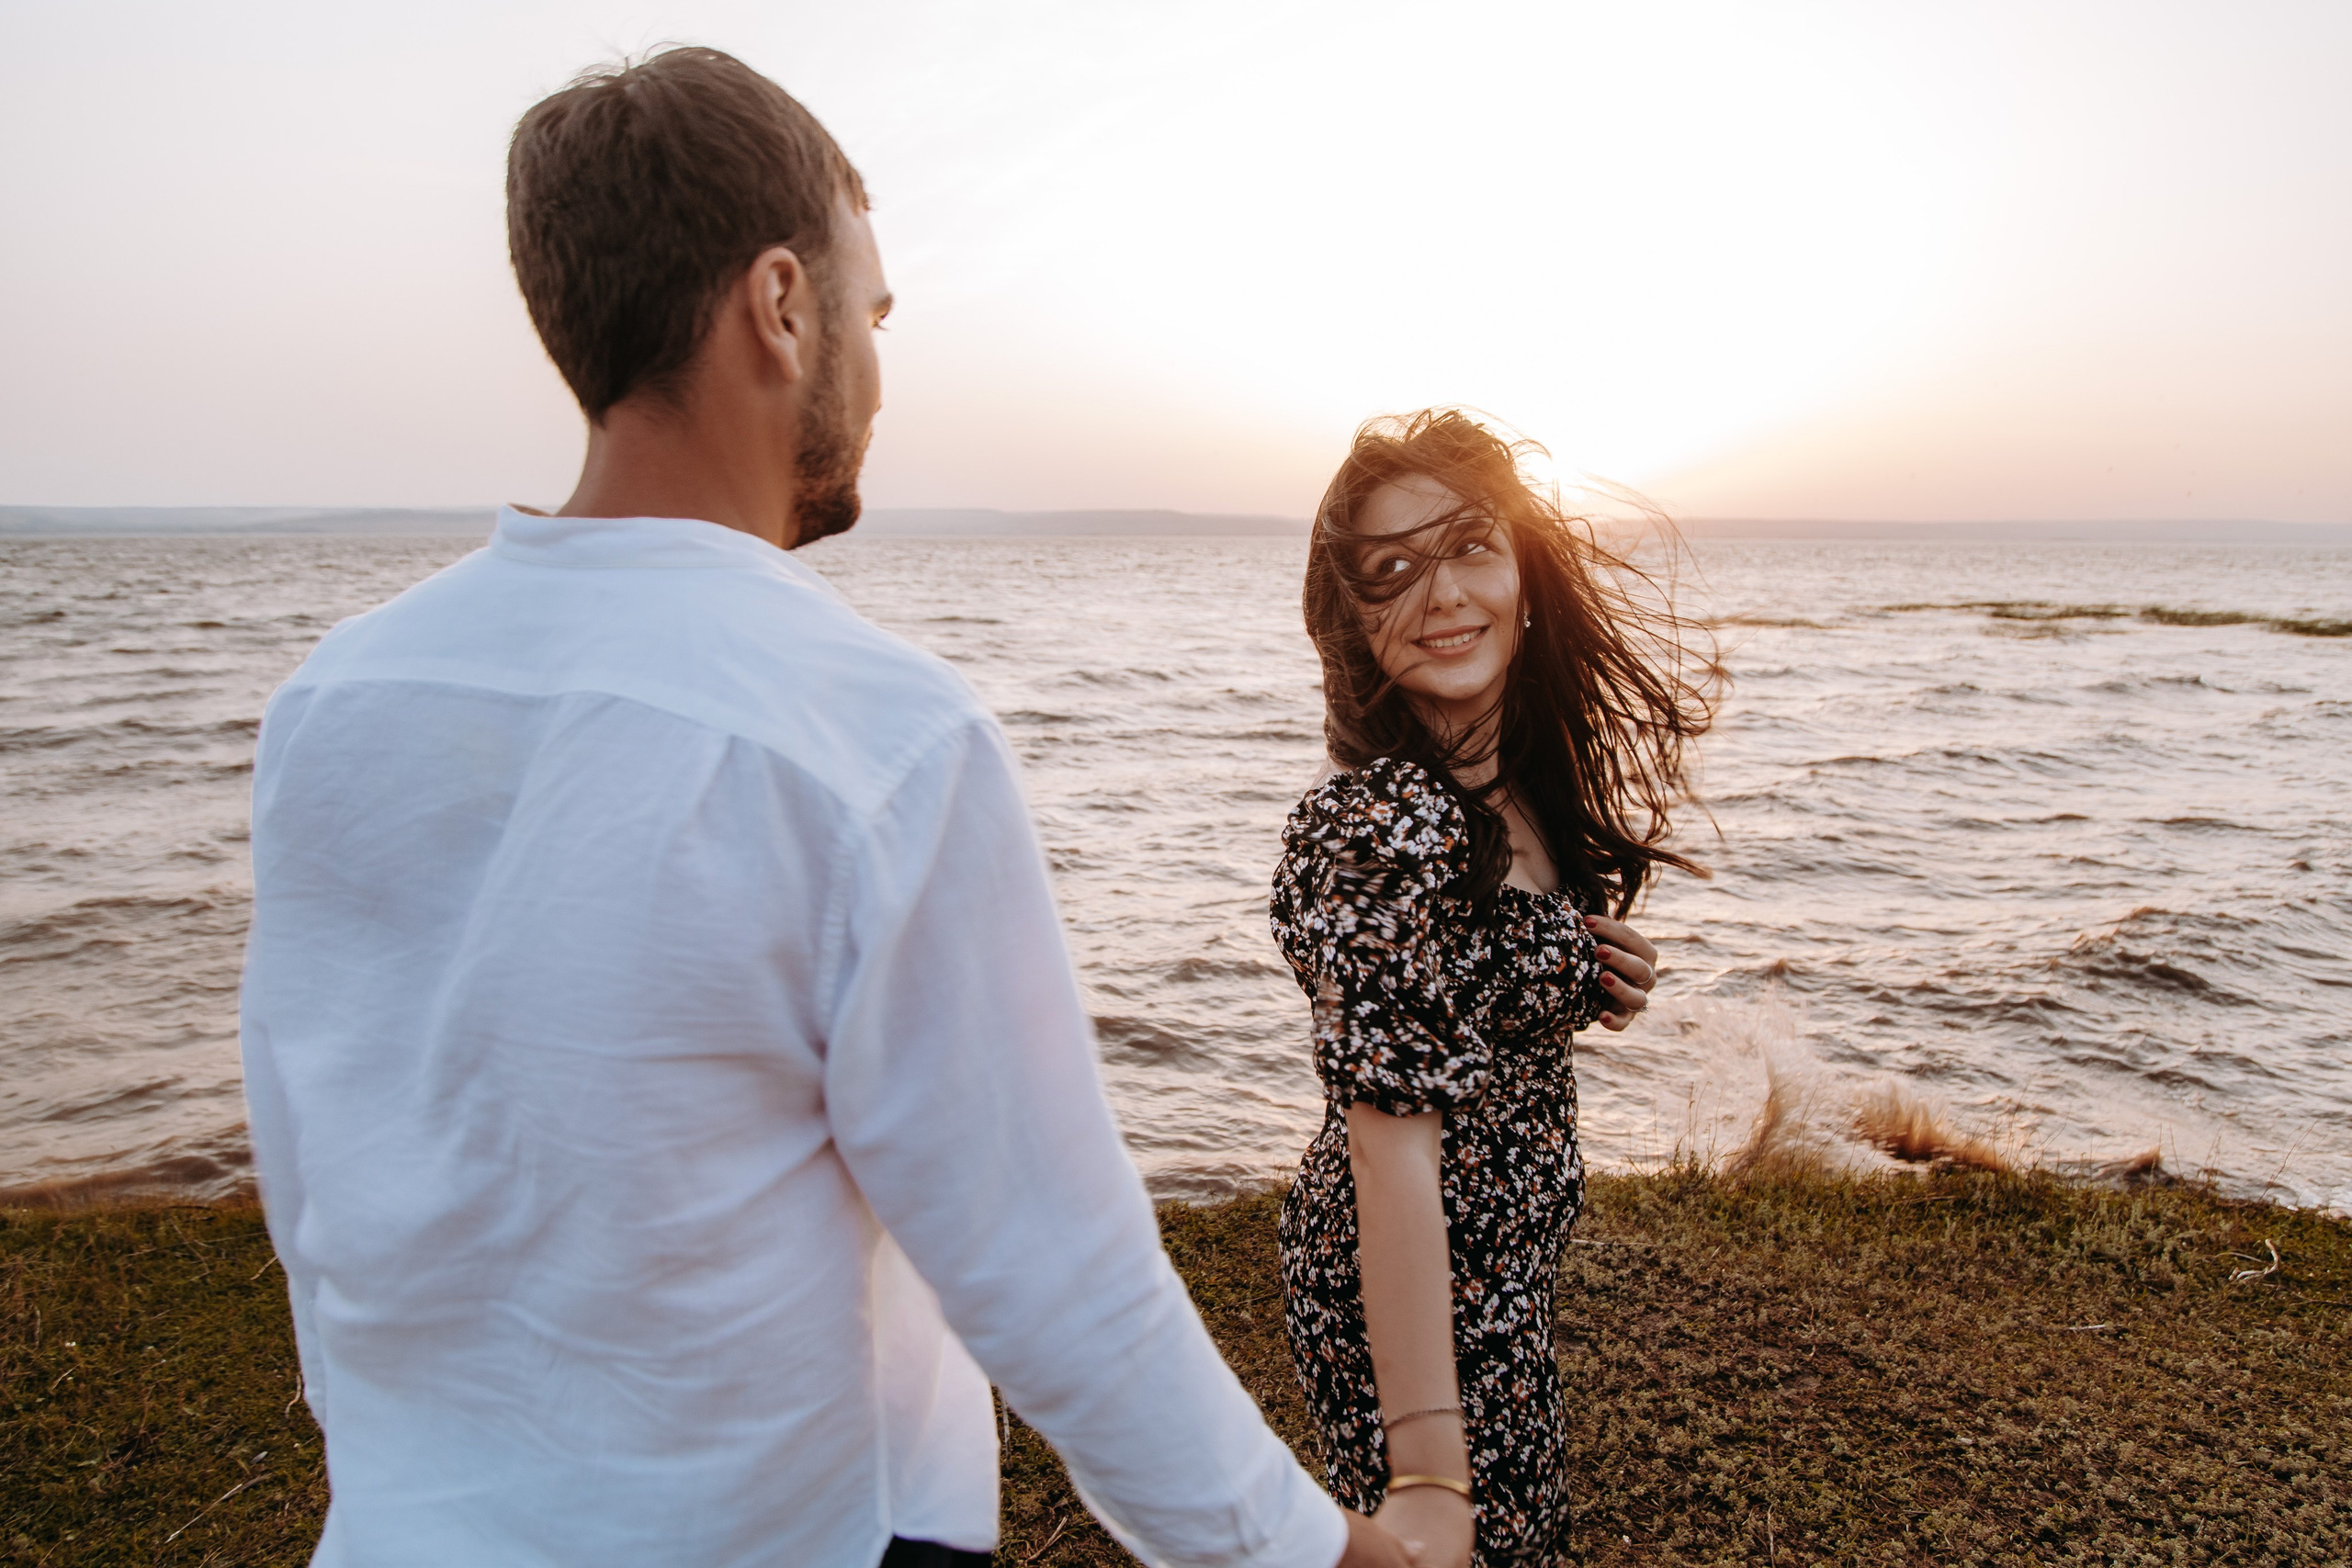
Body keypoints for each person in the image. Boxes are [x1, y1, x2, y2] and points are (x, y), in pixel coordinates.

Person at [238, 47, 1415, 1568]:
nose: (875, 354)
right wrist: (1314, 1551)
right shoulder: (872, 738)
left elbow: (315, 1170)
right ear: (780, 306)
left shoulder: (334, 703)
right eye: (872, 311)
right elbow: (1051, 1262)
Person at [1269, 412, 1717, 1568]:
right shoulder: (1381, 819)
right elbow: (1389, 1144)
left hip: (1505, 1268)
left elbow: (1480, 982)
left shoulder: (1510, 788)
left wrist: (1592, 973)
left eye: (1469, 544)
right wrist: (1427, 1463)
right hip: (1414, 1289)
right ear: (1354, 623)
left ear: (1525, 575)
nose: (1440, 594)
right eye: (1390, 571)